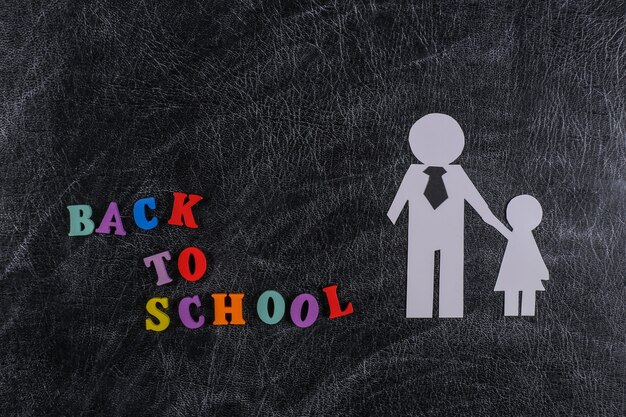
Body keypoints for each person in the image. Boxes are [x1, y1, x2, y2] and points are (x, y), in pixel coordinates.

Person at [388, 113, 509, 318]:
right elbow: (395, 209)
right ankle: (420, 311)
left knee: (452, 280)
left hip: (451, 236)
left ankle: (449, 311)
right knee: (418, 281)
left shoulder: (458, 175)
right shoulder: (413, 174)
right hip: (420, 235)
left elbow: (481, 208)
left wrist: (505, 230)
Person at [494, 194, 549, 316]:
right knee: (514, 292)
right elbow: (535, 255)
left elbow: (534, 255)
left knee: (520, 292)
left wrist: (492, 220)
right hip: (517, 274)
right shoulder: (519, 236)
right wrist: (542, 271)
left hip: (519, 274)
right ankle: (514, 314)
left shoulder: (520, 237)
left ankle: (521, 314)